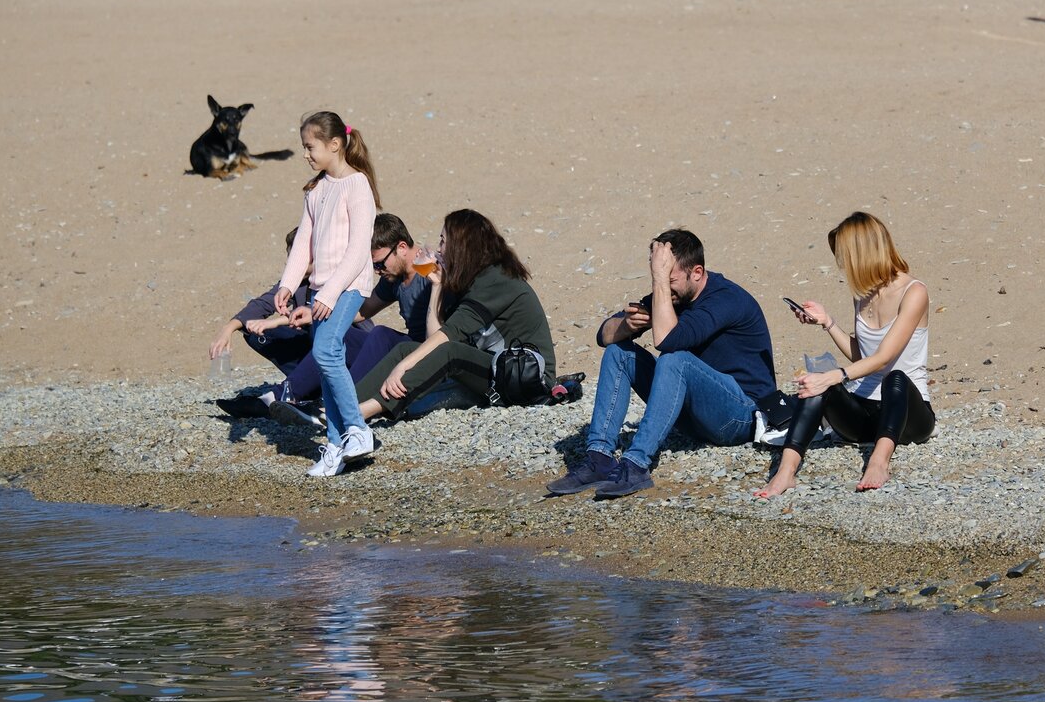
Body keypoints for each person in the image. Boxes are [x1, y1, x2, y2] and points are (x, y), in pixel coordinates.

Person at [546, 228, 779, 500]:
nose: (664, 290)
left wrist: (659, 279)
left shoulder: (725, 299)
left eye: (669, 279)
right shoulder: (676, 294)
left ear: (697, 273)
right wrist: (625, 325)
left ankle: (636, 464)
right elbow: (603, 335)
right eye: (659, 279)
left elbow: (669, 340)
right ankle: (599, 458)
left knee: (675, 358)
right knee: (618, 352)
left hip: (741, 416)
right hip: (697, 416)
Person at [753, 211, 934, 497]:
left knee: (894, 378)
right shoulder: (863, 295)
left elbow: (885, 358)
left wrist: (834, 376)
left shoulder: (914, 292)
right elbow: (862, 357)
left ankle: (878, 462)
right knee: (816, 384)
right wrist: (828, 323)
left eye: (844, 258)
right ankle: (785, 472)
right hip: (864, 416)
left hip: (908, 415)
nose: (842, 266)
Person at [353, 208, 556, 422]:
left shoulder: (495, 280)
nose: (438, 249)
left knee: (450, 352)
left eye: (443, 241)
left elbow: (447, 340)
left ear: (462, 246)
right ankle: (345, 406)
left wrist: (402, 367)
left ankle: (364, 411)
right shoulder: (469, 281)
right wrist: (437, 287)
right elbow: (435, 339)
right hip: (500, 367)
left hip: (527, 376)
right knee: (405, 349)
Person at [275, 111, 381, 477]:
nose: (305, 154)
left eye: (310, 146)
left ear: (334, 145)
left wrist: (330, 293)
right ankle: (336, 445)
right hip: (322, 287)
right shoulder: (316, 189)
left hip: (349, 285)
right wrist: (288, 285)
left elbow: (357, 250)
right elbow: (304, 242)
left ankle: (359, 430)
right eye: (303, 147)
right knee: (325, 359)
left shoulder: (358, 185)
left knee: (325, 350)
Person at [269, 212, 443, 427]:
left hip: (430, 352)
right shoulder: (395, 277)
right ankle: (279, 395)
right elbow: (362, 311)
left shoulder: (433, 272)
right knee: (341, 335)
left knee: (381, 335)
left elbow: (447, 333)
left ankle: (335, 405)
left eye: (379, 264)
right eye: (374, 266)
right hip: (409, 347)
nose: (378, 271)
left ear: (402, 247)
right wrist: (313, 312)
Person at [212, 227, 375, 420]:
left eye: (296, 258)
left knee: (324, 336)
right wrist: (228, 329)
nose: (291, 264)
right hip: (321, 350)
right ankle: (309, 390)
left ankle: (276, 397)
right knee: (255, 332)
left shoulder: (340, 277)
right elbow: (264, 302)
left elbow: (326, 316)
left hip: (357, 353)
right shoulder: (298, 280)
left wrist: (276, 322)